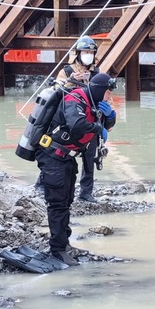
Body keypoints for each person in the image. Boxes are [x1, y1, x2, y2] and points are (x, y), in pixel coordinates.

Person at [35, 72, 117, 266]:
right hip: (53, 156)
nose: (110, 97)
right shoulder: (75, 99)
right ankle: (57, 250)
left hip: (67, 158)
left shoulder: (93, 103)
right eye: (108, 92)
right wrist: (98, 129)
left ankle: (65, 244)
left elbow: (106, 125)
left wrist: (109, 117)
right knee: (57, 203)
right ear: (99, 90)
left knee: (67, 201)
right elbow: (77, 125)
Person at [35, 35, 105, 202]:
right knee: (57, 152)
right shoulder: (66, 71)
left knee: (90, 155)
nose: (88, 54)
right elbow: (55, 90)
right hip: (67, 120)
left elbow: (101, 96)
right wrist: (71, 81)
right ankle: (42, 183)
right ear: (77, 53)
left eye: (91, 52)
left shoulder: (97, 73)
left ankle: (86, 192)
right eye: (85, 51)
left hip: (89, 118)